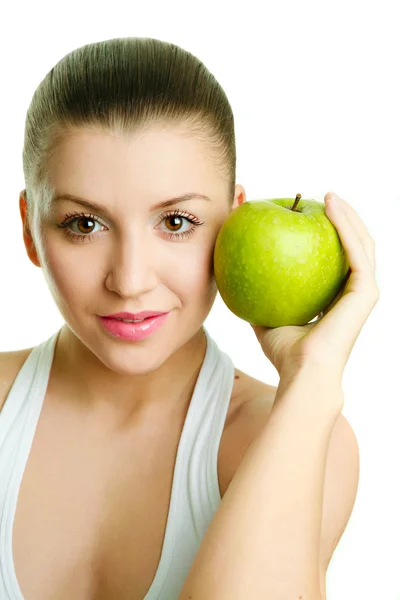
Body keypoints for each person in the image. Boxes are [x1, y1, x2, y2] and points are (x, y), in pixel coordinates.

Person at [0, 37, 379, 600]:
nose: (129, 281)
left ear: (232, 222)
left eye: (176, 222)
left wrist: (314, 381)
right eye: (84, 224)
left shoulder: (291, 436)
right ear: (31, 228)